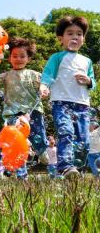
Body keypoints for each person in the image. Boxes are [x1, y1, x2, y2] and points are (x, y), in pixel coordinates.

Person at [40, 16, 96, 178]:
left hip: (82, 105)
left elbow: (93, 83)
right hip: (61, 103)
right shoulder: (57, 57)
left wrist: (89, 80)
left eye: (79, 34)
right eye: (70, 33)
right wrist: (44, 87)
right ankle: (66, 168)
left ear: (83, 39)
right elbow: (47, 75)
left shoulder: (87, 61)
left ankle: (77, 168)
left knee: (83, 140)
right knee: (65, 132)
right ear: (61, 39)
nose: (75, 37)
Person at [0, 37, 48, 178]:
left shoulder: (34, 74)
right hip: (13, 113)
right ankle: (21, 174)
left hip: (33, 111)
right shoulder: (5, 76)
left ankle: (41, 150)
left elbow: (45, 86)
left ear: (28, 58)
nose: (18, 59)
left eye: (22, 56)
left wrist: (44, 89)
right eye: (14, 56)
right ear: (9, 58)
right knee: (16, 143)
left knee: (39, 138)